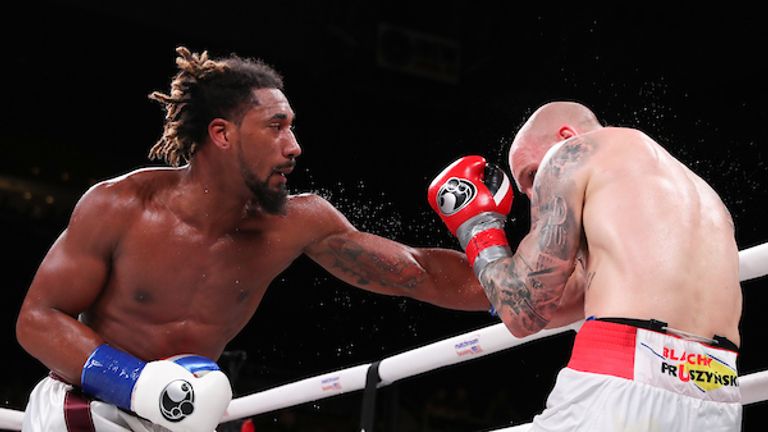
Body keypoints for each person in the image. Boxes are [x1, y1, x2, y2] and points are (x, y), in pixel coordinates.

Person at [15, 46, 490, 432]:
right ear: (222, 134)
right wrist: (136, 384)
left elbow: (417, 273)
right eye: (276, 126)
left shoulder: (295, 222)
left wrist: (515, 281)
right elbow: (36, 320)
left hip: (179, 419)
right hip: (85, 406)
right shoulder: (121, 206)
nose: (294, 146)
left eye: (293, 127)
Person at [427, 101, 742, 430]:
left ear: (567, 135)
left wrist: (477, 227)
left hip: (619, 383)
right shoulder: (705, 198)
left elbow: (522, 313)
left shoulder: (572, 153)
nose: (536, 196)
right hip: (718, 395)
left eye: (532, 175)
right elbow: (562, 302)